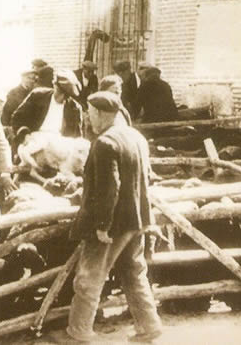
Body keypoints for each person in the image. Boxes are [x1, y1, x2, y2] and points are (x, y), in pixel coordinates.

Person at [65, 91, 162, 343]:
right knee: (134, 272)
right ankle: (149, 326)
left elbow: (110, 187)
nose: (88, 118)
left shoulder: (105, 143)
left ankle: (79, 332)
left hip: (113, 225)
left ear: (98, 113)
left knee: (89, 278)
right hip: (137, 220)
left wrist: (102, 226)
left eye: (89, 113)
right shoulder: (136, 137)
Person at [11, 69, 83, 137]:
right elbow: (17, 119)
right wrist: (25, 136)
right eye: (59, 91)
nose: (62, 97)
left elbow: (76, 136)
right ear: (54, 85)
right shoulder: (37, 96)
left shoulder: (75, 108)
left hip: (59, 145)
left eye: (65, 94)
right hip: (33, 140)